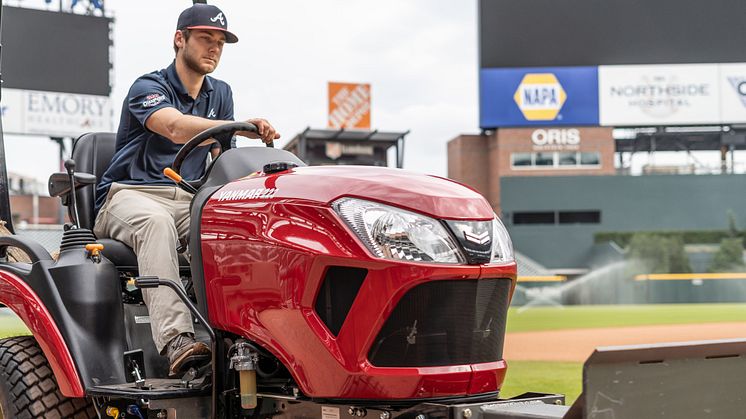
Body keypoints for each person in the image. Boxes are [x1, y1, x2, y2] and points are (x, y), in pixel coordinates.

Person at [94, 3, 280, 377]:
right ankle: (177, 340)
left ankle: (252, 338)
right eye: (205, 38)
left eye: (220, 42)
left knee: (229, 229)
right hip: (128, 195)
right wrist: (239, 126)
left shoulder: (220, 93)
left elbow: (224, 159)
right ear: (180, 40)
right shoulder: (149, 86)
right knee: (155, 223)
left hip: (184, 198)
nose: (214, 47)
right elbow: (176, 128)